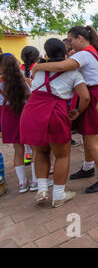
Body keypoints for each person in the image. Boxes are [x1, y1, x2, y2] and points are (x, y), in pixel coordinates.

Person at [32, 25, 98, 194]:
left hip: (93, 98)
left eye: (70, 40)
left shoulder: (84, 54)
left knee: (91, 142)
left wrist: (38, 67)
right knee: (88, 139)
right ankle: (88, 167)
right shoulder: (93, 52)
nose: (69, 44)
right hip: (96, 97)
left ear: (80, 39)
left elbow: (61, 67)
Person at [20, 39, 90, 207]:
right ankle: (58, 194)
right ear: (65, 52)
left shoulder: (38, 70)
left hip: (32, 112)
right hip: (54, 112)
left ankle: (42, 190)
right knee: (62, 155)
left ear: (46, 53)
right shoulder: (74, 73)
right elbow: (85, 96)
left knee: (41, 152)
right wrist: (78, 111)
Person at [0, 53, 37, 193]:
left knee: (18, 150)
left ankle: (22, 184)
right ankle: (35, 181)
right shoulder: (22, 77)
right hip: (25, 112)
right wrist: (31, 85)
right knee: (34, 148)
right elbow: (30, 95)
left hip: (8, 114)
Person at [20, 46, 41, 167]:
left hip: (22, 106)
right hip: (36, 104)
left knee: (27, 132)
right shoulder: (40, 70)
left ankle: (28, 154)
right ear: (36, 57)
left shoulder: (18, 71)